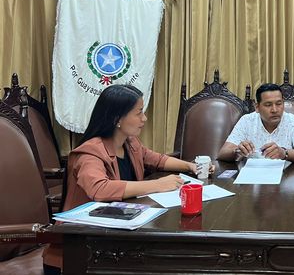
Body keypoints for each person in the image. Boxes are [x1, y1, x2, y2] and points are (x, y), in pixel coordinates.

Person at [43, 84, 207, 273]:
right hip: (78, 251)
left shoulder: (129, 143)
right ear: (117, 119)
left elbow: (157, 159)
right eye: (138, 113)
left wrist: (190, 166)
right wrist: (157, 185)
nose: (144, 118)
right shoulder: (90, 152)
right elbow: (100, 189)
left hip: (114, 237)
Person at [217, 83, 294, 162]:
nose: (275, 110)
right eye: (268, 105)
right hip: (252, 176)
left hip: (286, 174)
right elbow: (222, 153)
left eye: (279, 104)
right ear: (257, 107)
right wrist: (237, 151)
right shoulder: (246, 121)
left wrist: (284, 153)